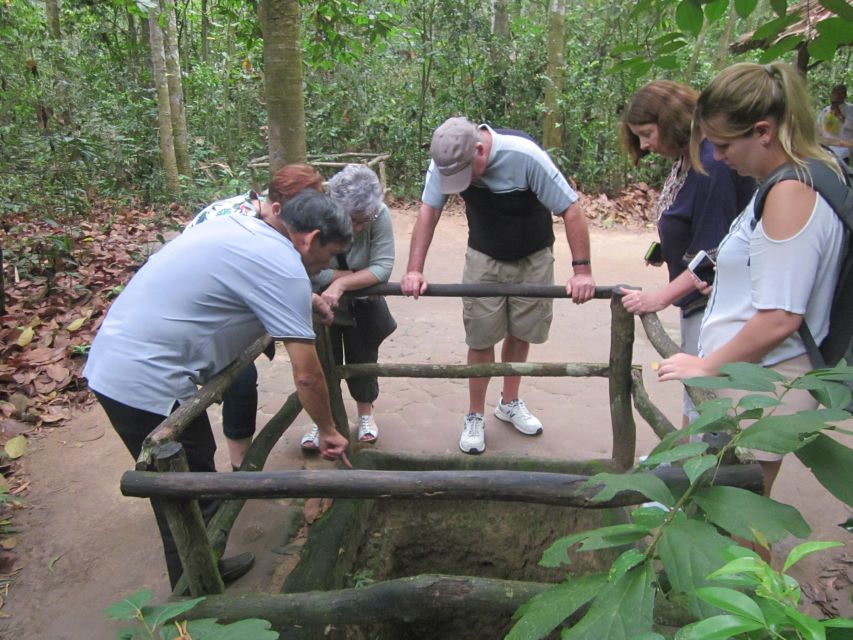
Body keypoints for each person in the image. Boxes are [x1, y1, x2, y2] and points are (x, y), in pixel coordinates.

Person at [83, 189, 353, 588]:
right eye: (328, 255)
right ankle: (194, 592)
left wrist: (303, 299)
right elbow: (307, 376)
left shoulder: (238, 224)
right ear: (309, 238)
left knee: (196, 467)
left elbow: (245, 283)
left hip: (119, 358)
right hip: (143, 378)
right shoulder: (284, 265)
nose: (326, 265)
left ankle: (205, 567)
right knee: (183, 489)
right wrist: (329, 430)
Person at [657, 62, 845, 501]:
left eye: (723, 145)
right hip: (751, 380)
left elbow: (781, 316)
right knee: (725, 516)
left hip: (762, 385)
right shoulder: (794, 176)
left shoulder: (791, 193)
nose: (718, 158)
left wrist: (706, 365)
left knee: (739, 527)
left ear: (763, 131)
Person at [401, 117, 596, 455]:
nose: (464, 181)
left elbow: (571, 210)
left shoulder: (525, 156)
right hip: (484, 255)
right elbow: (428, 212)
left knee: (521, 332)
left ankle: (509, 402)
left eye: (467, 171)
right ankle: (474, 414)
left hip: (533, 256)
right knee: (481, 337)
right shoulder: (446, 161)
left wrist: (582, 271)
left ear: (480, 149)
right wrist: (414, 270)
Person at [618, 80, 755, 426]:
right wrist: (667, 248)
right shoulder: (689, 156)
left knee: (704, 389)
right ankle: (685, 459)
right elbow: (692, 218)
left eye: (647, 133)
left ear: (672, 121)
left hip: (714, 303)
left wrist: (658, 298)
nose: (644, 145)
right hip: (697, 300)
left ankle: (701, 470)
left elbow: (713, 252)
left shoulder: (712, 163)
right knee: (693, 384)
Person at [185, 164, 325, 470]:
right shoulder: (237, 224)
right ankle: (238, 468)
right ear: (278, 207)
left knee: (242, 380)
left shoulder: (270, 219)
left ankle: (241, 464)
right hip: (202, 316)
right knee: (237, 379)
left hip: (232, 305)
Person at [300, 165, 396, 450]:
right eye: (352, 220)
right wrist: (357, 275)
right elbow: (308, 270)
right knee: (319, 361)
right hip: (320, 304)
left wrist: (340, 284)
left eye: (362, 220)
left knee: (363, 358)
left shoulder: (379, 215)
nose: (357, 228)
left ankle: (365, 415)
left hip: (362, 305)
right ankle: (322, 421)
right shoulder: (316, 215)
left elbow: (383, 267)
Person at [816, 83, 853, 165]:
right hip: (826, 147)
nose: (838, 95)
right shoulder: (825, 110)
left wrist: (840, 115)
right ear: (832, 94)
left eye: (841, 93)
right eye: (836, 93)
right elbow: (818, 129)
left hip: (843, 148)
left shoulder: (850, 109)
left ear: (845, 95)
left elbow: (851, 126)